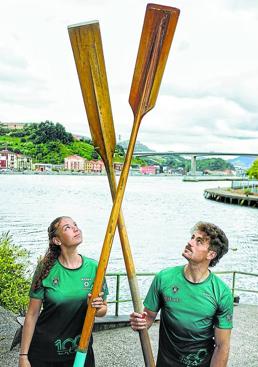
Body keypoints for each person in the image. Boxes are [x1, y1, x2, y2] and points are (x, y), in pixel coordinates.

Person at [130, 222, 233, 367]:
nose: (190, 242)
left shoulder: (222, 293)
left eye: (199, 241)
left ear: (211, 254)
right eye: (192, 237)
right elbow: (148, 319)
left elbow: (222, 346)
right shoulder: (164, 278)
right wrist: (139, 322)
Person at [19, 216, 108, 367]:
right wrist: (23, 356)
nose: (75, 228)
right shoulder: (45, 269)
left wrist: (95, 307)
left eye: (75, 224)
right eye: (67, 227)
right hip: (44, 352)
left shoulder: (94, 268)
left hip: (80, 351)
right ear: (57, 240)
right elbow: (32, 314)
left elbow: (103, 310)